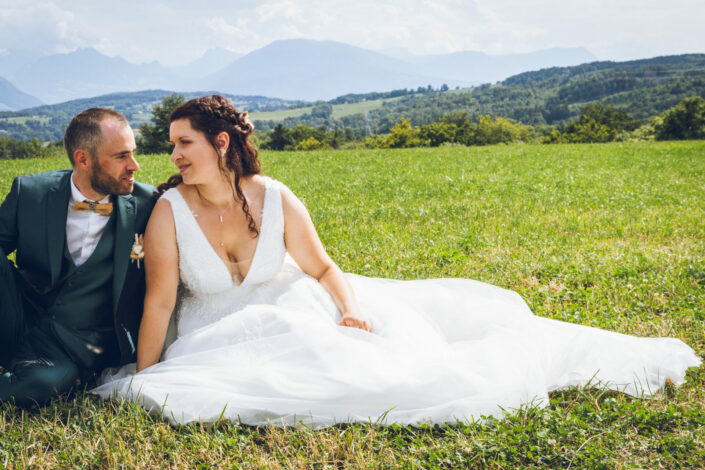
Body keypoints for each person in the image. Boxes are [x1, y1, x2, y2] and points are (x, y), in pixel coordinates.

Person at [93, 95, 701, 428]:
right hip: (214, 327)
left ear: (220, 143)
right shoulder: (169, 211)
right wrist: (148, 372)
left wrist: (351, 310)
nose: (171, 156)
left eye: (183, 143)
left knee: (356, 349)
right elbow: (163, 300)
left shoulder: (275, 197)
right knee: (282, 353)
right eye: (171, 144)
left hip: (288, 298)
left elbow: (324, 269)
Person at [0, 108, 156, 406]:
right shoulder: (30, 192)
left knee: (41, 385)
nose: (134, 165)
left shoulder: (148, 205)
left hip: (78, 345)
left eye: (132, 153)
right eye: (121, 156)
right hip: (21, 316)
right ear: (83, 159)